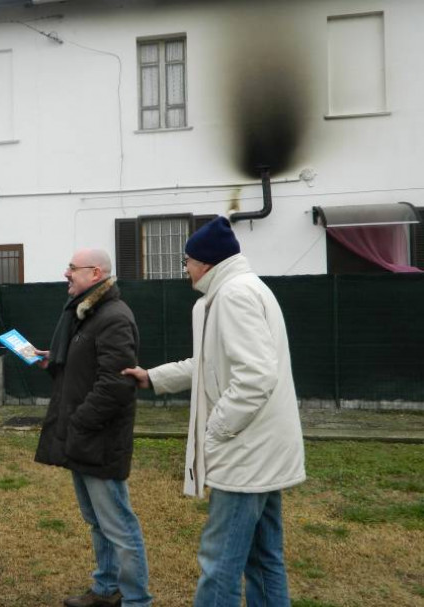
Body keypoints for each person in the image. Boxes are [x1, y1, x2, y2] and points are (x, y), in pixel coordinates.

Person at [123, 216, 306, 607]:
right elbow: (209, 362)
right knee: (263, 559)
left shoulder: (232, 296)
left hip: (246, 454)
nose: (185, 269)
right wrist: (153, 377)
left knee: (219, 561)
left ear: (205, 262)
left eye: (186, 261)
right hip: (262, 450)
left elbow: (255, 377)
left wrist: (217, 430)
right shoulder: (241, 289)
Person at [34, 249, 153, 607]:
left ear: (95, 272)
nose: (65, 272)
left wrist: (80, 422)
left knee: (117, 522)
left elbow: (115, 384)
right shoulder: (87, 314)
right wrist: (52, 359)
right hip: (83, 437)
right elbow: (85, 368)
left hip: (98, 438)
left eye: (72, 268)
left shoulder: (113, 317)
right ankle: (106, 589)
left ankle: (135, 599)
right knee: (98, 520)